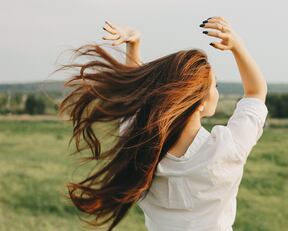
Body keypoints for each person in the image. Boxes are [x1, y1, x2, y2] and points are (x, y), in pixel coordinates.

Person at [57, 16, 268, 231]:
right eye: (214, 85)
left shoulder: (140, 147)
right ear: (200, 103)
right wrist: (237, 46)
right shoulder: (227, 148)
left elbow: (138, 101)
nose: (217, 91)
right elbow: (256, 93)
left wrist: (134, 47)